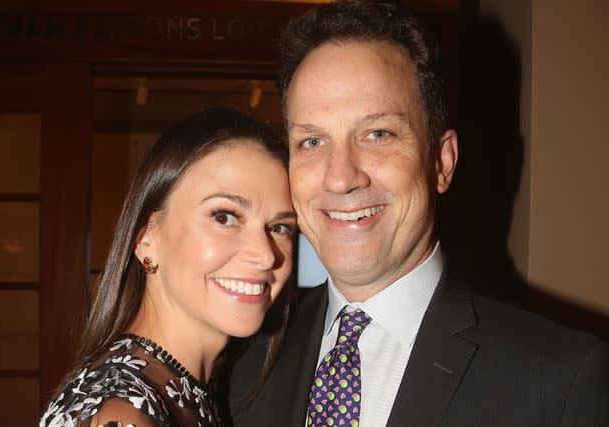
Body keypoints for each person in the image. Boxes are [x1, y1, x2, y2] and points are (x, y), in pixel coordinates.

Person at [228, 1, 609, 426]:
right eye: (312, 142)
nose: (340, 178)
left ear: (442, 163)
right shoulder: (243, 356)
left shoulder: (560, 380)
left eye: (377, 134)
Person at [40, 108, 297, 427]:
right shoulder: (123, 413)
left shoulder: (198, 389)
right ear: (147, 238)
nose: (265, 255)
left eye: (280, 227)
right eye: (224, 217)